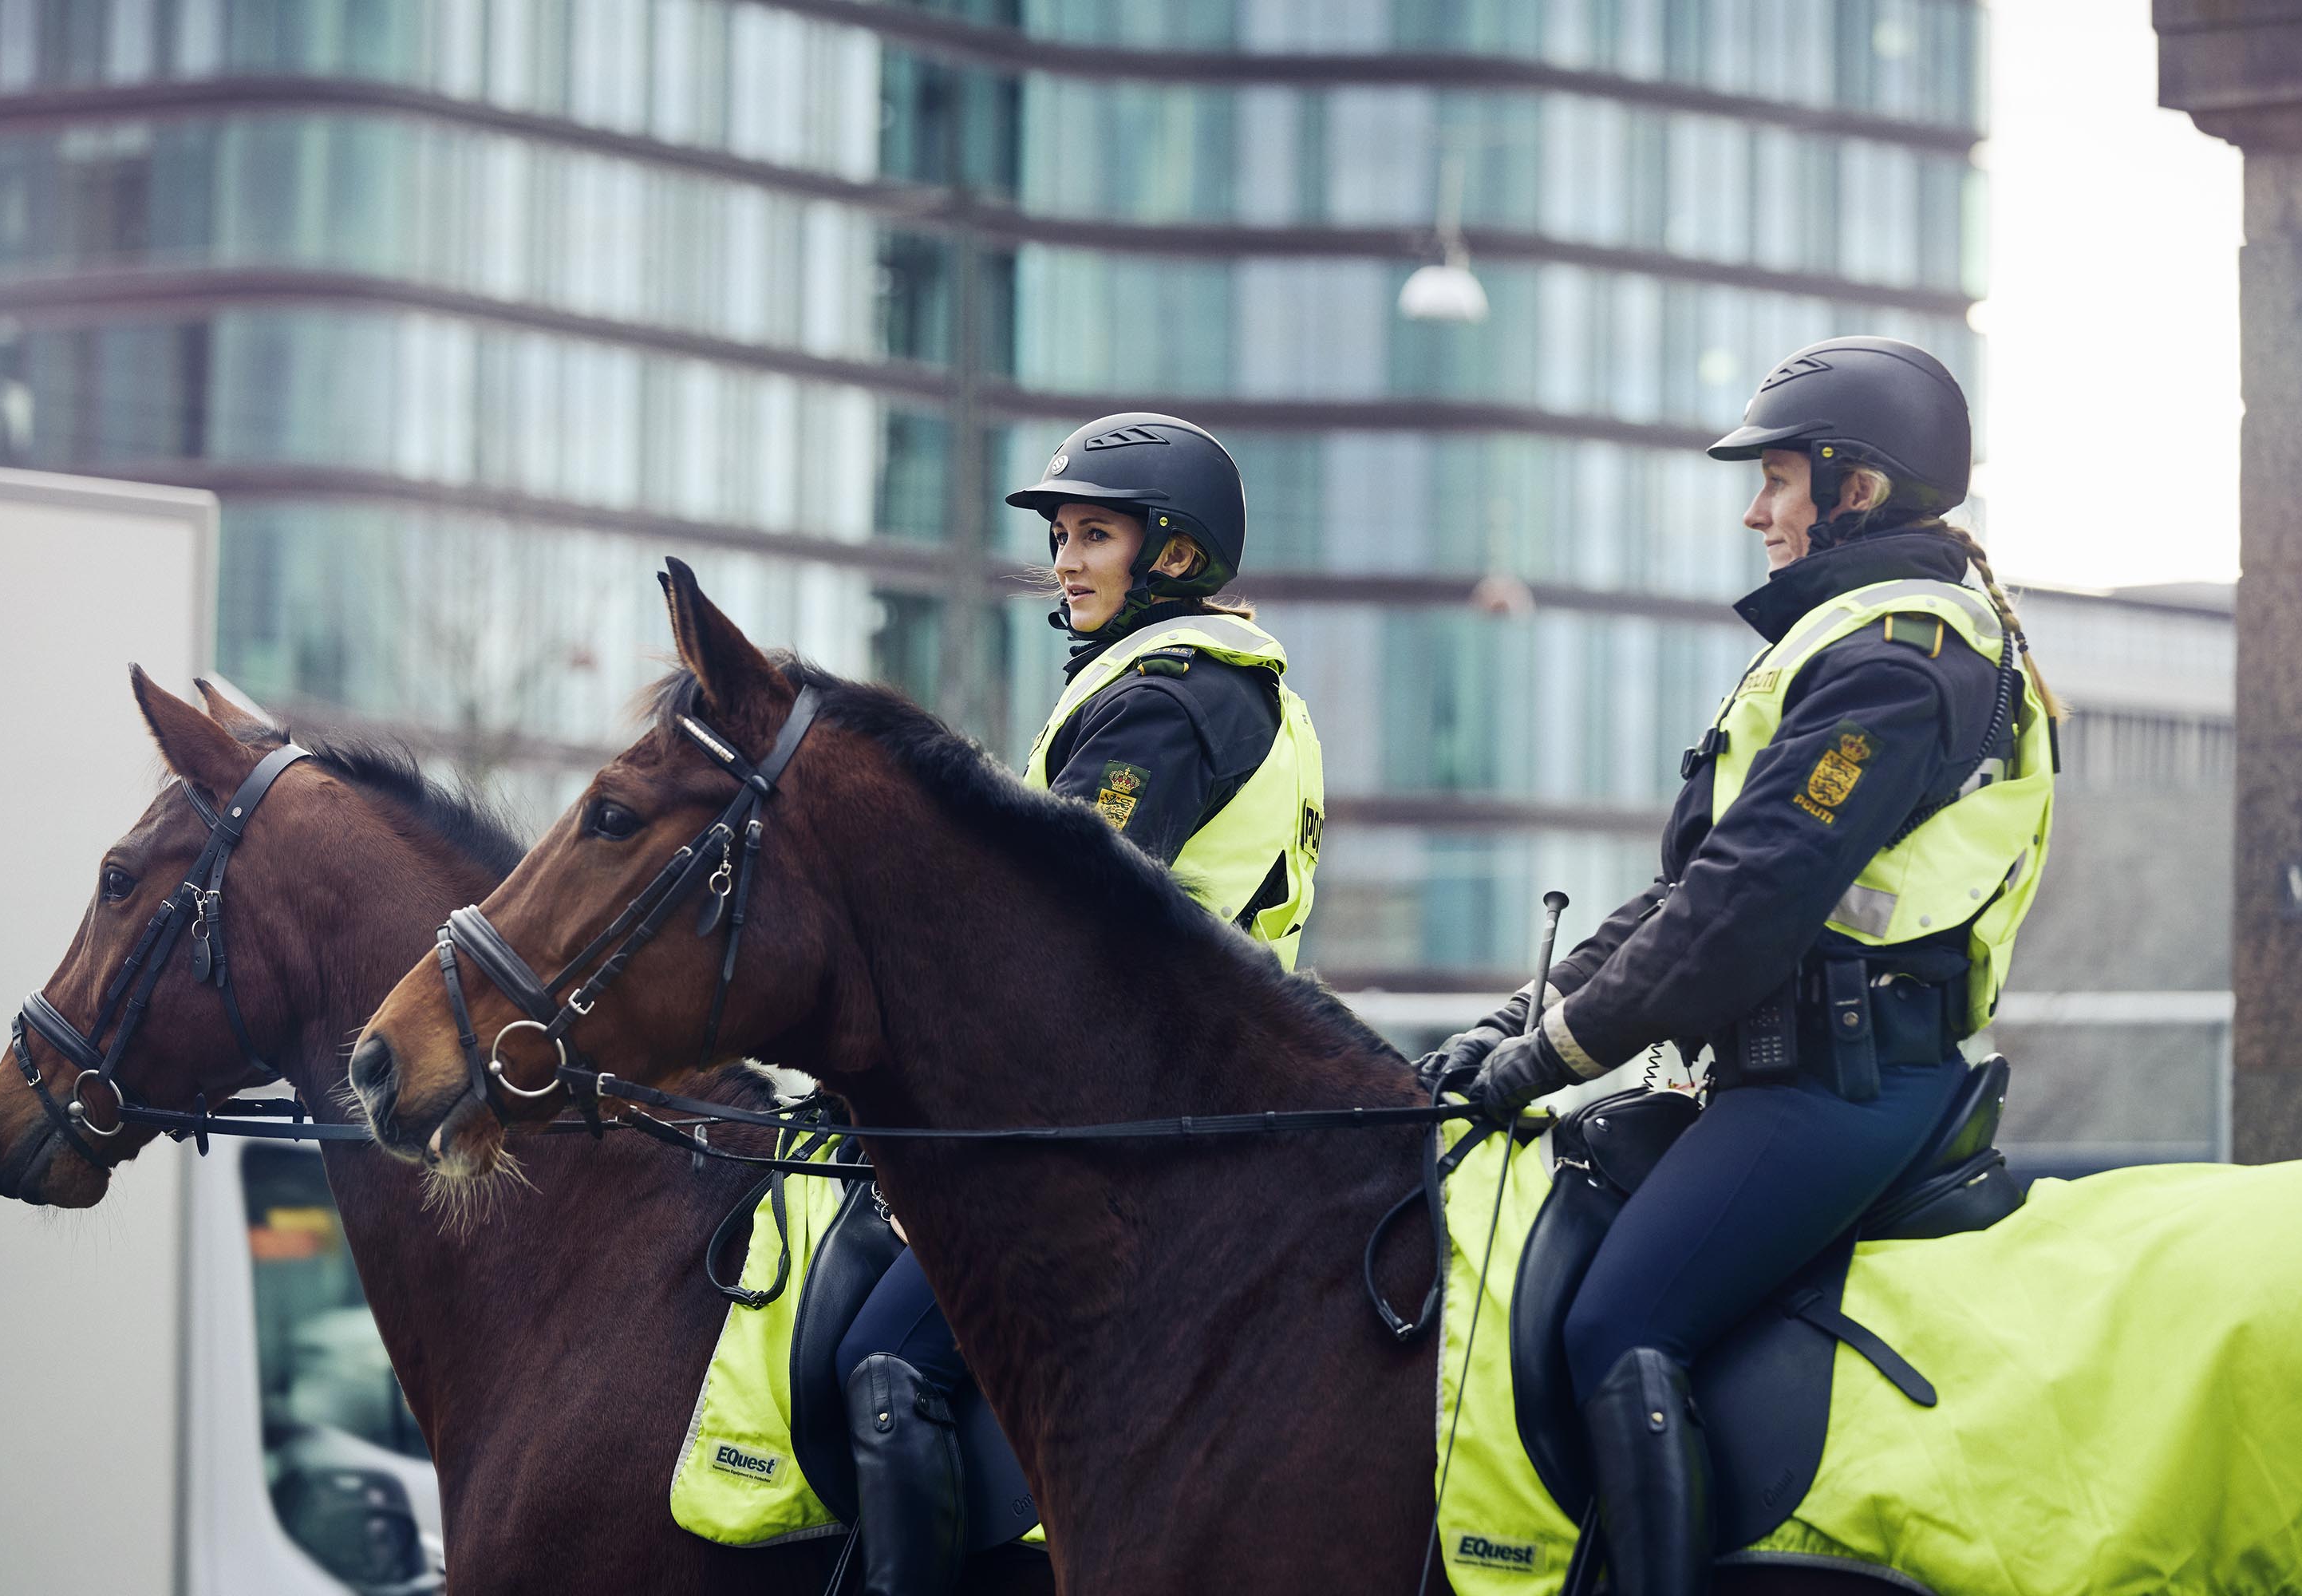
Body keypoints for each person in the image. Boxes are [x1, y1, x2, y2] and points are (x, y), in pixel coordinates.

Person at [1434, 337, 2060, 1595]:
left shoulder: (1897, 658)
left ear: (1856, 489)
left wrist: (1550, 1063)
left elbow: (1742, 910)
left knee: (1621, 1326)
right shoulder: (1858, 639)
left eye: (1777, 479)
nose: (1754, 508)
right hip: (1785, 1070)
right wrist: (1515, 1020)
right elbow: (1686, 899)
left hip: (1844, 1084)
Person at [833, 411, 1326, 1594]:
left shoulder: (1166, 703)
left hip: (1118, 1120)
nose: (1065, 560)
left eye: (1094, 534)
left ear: (1173, 554)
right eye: (1062, 534)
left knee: (885, 1365)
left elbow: (1043, 936)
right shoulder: (1215, 686)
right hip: (1183, 1099)